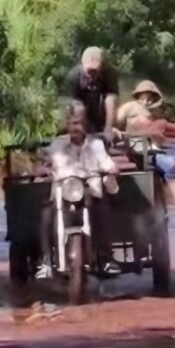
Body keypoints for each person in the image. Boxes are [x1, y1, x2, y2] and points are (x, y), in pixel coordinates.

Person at [116, 81, 175, 243]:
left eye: (150, 98)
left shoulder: (156, 115)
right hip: (137, 149)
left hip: (151, 151)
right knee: (170, 164)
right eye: (143, 97)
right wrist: (116, 132)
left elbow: (167, 133)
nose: (146, 102)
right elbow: (114, 124)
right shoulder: (129, 108)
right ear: (138, 96)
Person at [35, 100, 121, 279]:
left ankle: (106, 258)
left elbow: (107, 163)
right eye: (72, 123)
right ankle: (46, 262)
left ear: (85, 124)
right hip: (62, 194)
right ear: (67, 125)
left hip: (91, 193)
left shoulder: (96, 145)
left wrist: (112, 168)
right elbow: (45, 161)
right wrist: (43, 168)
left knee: (104, 211)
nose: (75, 127)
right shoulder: (57, 145)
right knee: (46, 216)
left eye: (79, 123)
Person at [60, 46, 120, 138]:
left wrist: (109, 127)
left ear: (102, 67)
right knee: (77, 107)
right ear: (83, 66)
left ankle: (105, 128)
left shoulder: (109, 73)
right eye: (89, 71)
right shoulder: (73, 76)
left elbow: (111, 99)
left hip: (100, 107)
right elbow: (68, 104)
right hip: (79, 107)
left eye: (95, 71)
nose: (92, 74)